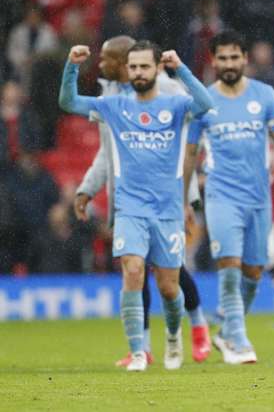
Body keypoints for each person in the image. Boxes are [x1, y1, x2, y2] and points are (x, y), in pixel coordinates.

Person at [59, 41, 213, 371]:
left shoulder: (175, 104)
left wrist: (182, 68)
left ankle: (174, 336)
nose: (139, 72)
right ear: (127, 70)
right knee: (132, 271)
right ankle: (138, 352)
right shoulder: (114, 105)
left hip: (167, 211)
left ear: (157, 68)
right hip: (130, 209)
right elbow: (68, 101)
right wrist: (72, 66)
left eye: (145, 66)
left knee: (170, 287)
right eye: (134, 67)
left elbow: (205, 103)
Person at [184, 30, 274, 364]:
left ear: (245, 59)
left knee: (253, 271)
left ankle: (226, 332)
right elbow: (190, 154)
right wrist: (183, 198)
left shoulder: (264, 96)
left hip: (258, 198)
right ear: (214, 61)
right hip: (221, 196)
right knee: (230, 264)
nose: (229, 63)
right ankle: (237, 340)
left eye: (235, 57)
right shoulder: (203, 101)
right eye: (223, 58)